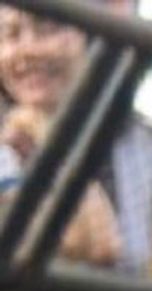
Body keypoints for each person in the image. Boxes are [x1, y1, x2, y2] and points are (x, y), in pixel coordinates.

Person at [0, 4, 118, 265]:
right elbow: (99, 245)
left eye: (48, 29)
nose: (28, 50)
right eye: (10, 34)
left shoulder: (134, 137)